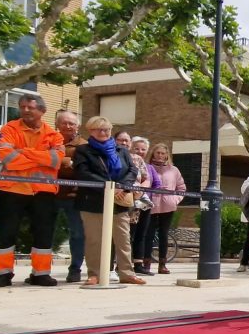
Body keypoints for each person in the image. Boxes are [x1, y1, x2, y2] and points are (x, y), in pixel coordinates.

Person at [0, 94, 65, 288]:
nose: (25, 110)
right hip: (12, 189)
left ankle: (41, 274)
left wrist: (23, 152)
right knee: (7, 232)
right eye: (22, 107)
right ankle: (3, 274)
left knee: (44, 233)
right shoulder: (10, 129)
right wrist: (42, 157)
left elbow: (56, 160)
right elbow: (9, 159)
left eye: (30, 107)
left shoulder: (54, 135)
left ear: (42, 111)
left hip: (43, 192)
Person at [74, 119, 144, 286]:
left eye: (106, 129)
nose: (103, 133)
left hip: (119, 201)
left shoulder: (122, 150)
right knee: (94, 240)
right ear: (90, 131)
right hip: (92, 201)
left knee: (123, 239)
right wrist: (109, 187)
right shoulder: (83, 150)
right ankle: (95, 274)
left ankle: (127, 273)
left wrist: (122, 187)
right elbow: (83, 173)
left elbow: (132, 171)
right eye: (98, 130)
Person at [52, 109, 87, 282]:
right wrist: (68, 162)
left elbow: (84, 169)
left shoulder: (84, 145)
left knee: (78, 234)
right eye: (64, 123)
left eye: (71, 123)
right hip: (49, 194)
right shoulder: (48, 140)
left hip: (74, 196)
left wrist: (58, 162)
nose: (68, 126)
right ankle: (40, 270)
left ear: (77, 125)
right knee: (45, 233)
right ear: (57, 124)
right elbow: (41, 162)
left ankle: (75, 269)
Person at [143, 143, 185, 275]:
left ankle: (162, 264)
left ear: (167, 155)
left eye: (162, 153)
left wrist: (175, 200)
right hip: (150, 205)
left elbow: (182, 188)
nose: (160, 155)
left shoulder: (174, 170)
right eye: (157, 153)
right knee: (148, 235)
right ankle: (146, 264)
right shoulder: (147, 167)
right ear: (153, 154)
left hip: (168, 207)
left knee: (164, 235)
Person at [129, 136, 158, 275]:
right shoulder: (127, 160)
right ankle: (124, 264)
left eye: (143, 149)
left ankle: (138, 264)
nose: (140, 151)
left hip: (144, 202)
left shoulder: (148, 166)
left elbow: (153, 182)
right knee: (129, 234)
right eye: (137, 148)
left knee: (141, 234)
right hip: (128, 200)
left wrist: (141, 188)